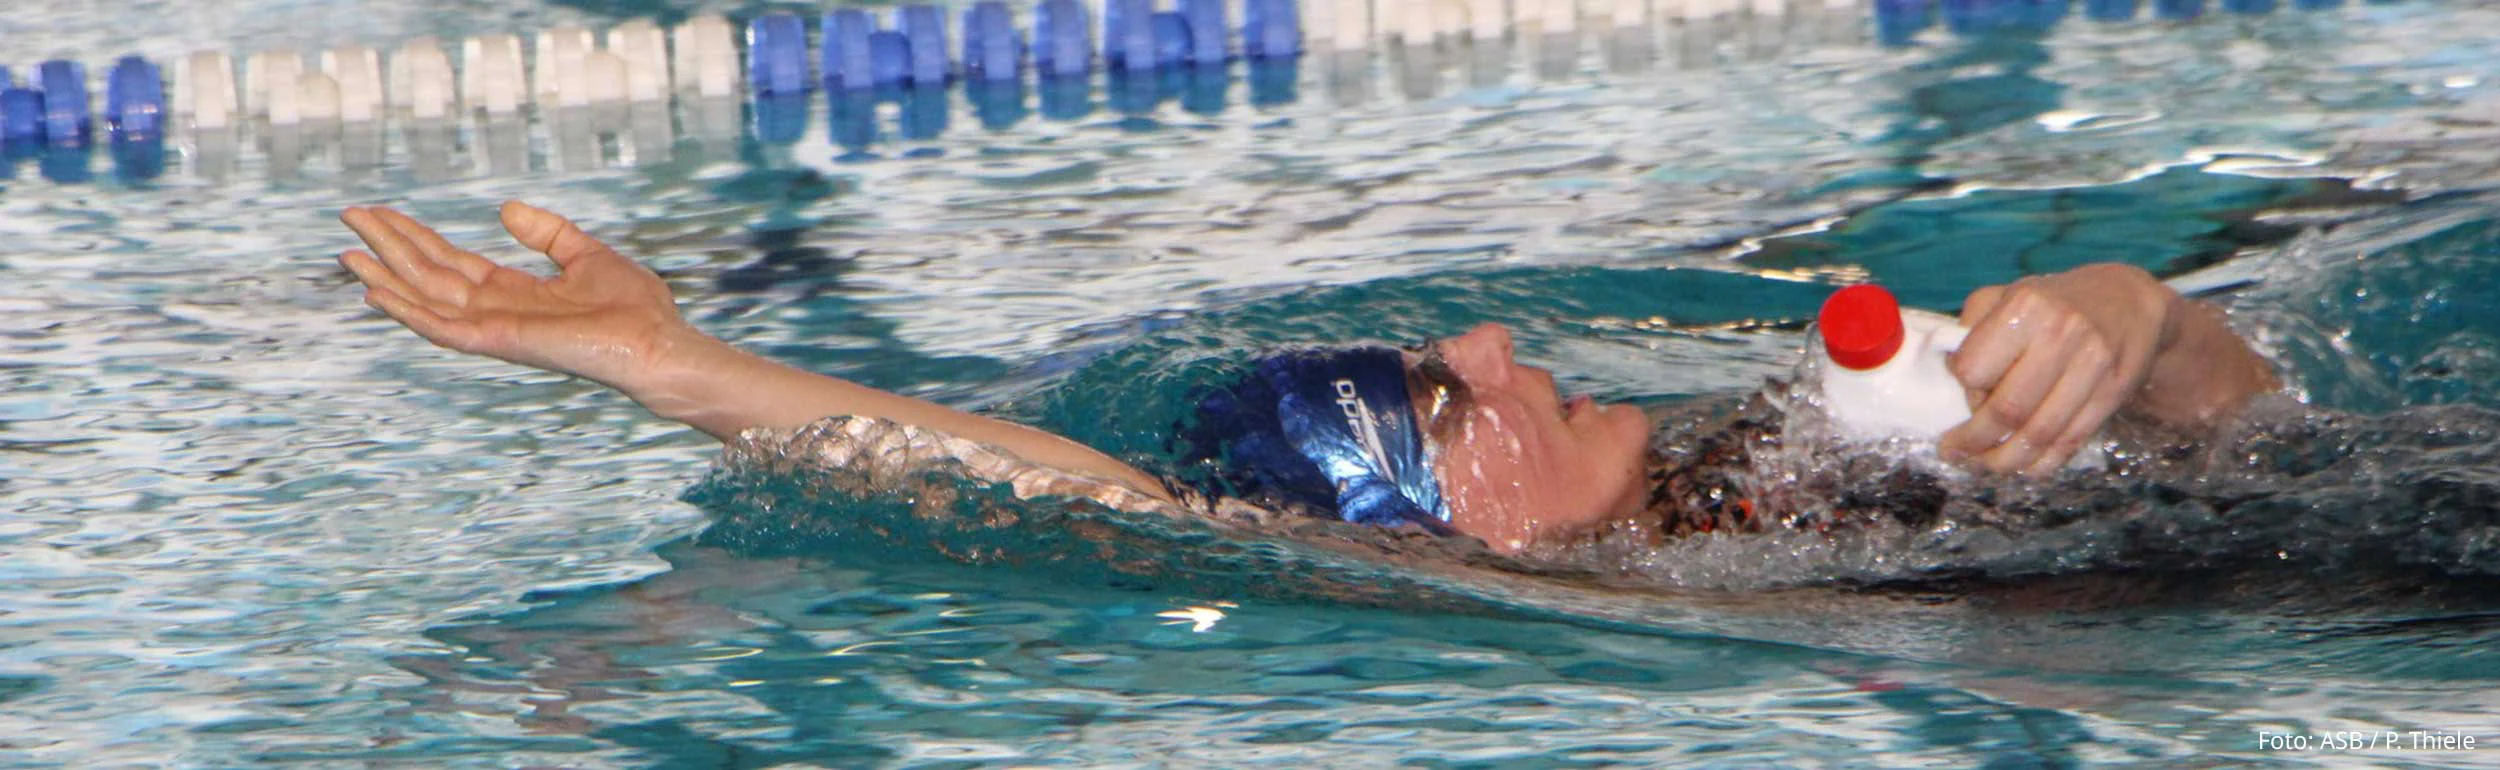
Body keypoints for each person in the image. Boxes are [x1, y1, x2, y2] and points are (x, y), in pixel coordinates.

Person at [336, 202, 2280, 555]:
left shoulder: (1744, 448)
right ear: (1425, 539)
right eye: (1447, 408)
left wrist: (2123, 302)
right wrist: (672, 367)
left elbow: (2247, 423)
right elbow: (1048, 482)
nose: (1506, 346)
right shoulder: (1664, 580)